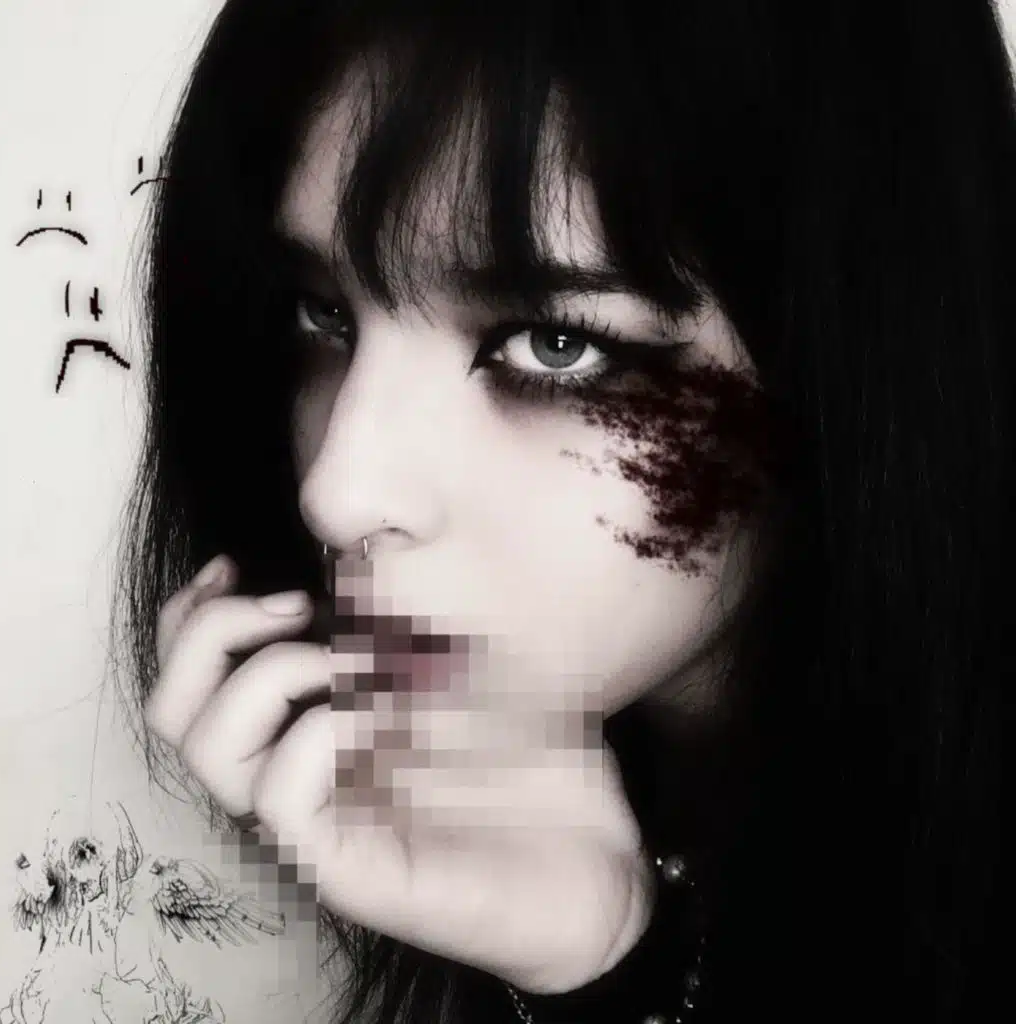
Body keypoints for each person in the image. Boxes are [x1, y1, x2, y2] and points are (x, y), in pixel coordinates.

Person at [107, 1, 1014, 1021]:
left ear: (863, 354)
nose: (336, 493)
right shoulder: (537, 784)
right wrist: (600, 970)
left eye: (553, 343)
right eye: (325, 312)